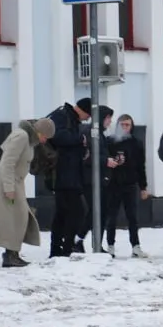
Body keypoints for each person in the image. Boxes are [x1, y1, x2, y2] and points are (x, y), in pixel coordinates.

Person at [0, 118, 56, 267]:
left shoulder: (28, 139)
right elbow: (7, 162)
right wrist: (9, 188)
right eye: (45, 137)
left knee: (17, 217)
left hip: (15, 182)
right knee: (15, 217)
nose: (45, 141)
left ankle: (12, 253)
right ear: (40, 132)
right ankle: (10, 255)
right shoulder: (22, 137)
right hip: (8, 182)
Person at [47, 98, 91, 257]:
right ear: (82, 110)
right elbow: (57, 136)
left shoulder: (70, 118)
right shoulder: (62, 116)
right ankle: (65, 249)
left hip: (70, 174)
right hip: (63, 174)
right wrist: (79, 139)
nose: (87, 119)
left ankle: (58, 249)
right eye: (88, 115)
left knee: (63, 213)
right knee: (76, 212)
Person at [104, 114, 150, 258]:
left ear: (132, 126)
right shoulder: (110, 141)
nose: (124, 127)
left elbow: (141, 166)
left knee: (133, 217)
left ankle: (135, 246)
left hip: (130, 184)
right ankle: (110, 246)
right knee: (112, 216)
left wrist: (143, 187)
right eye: (122, 124)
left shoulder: (136, 143)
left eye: (127, 125)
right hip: (113, 184)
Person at [77, 105, 114, 253]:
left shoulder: (100, 134)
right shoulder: (90, 133)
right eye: (108, 118)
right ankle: (78, 239)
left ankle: (96, 243)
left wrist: (110, 160)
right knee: (95, 211)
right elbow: (87, 156)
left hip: (100, 179)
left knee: (102, 212)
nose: (110, 121)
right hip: (90, 180)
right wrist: (106, 161)